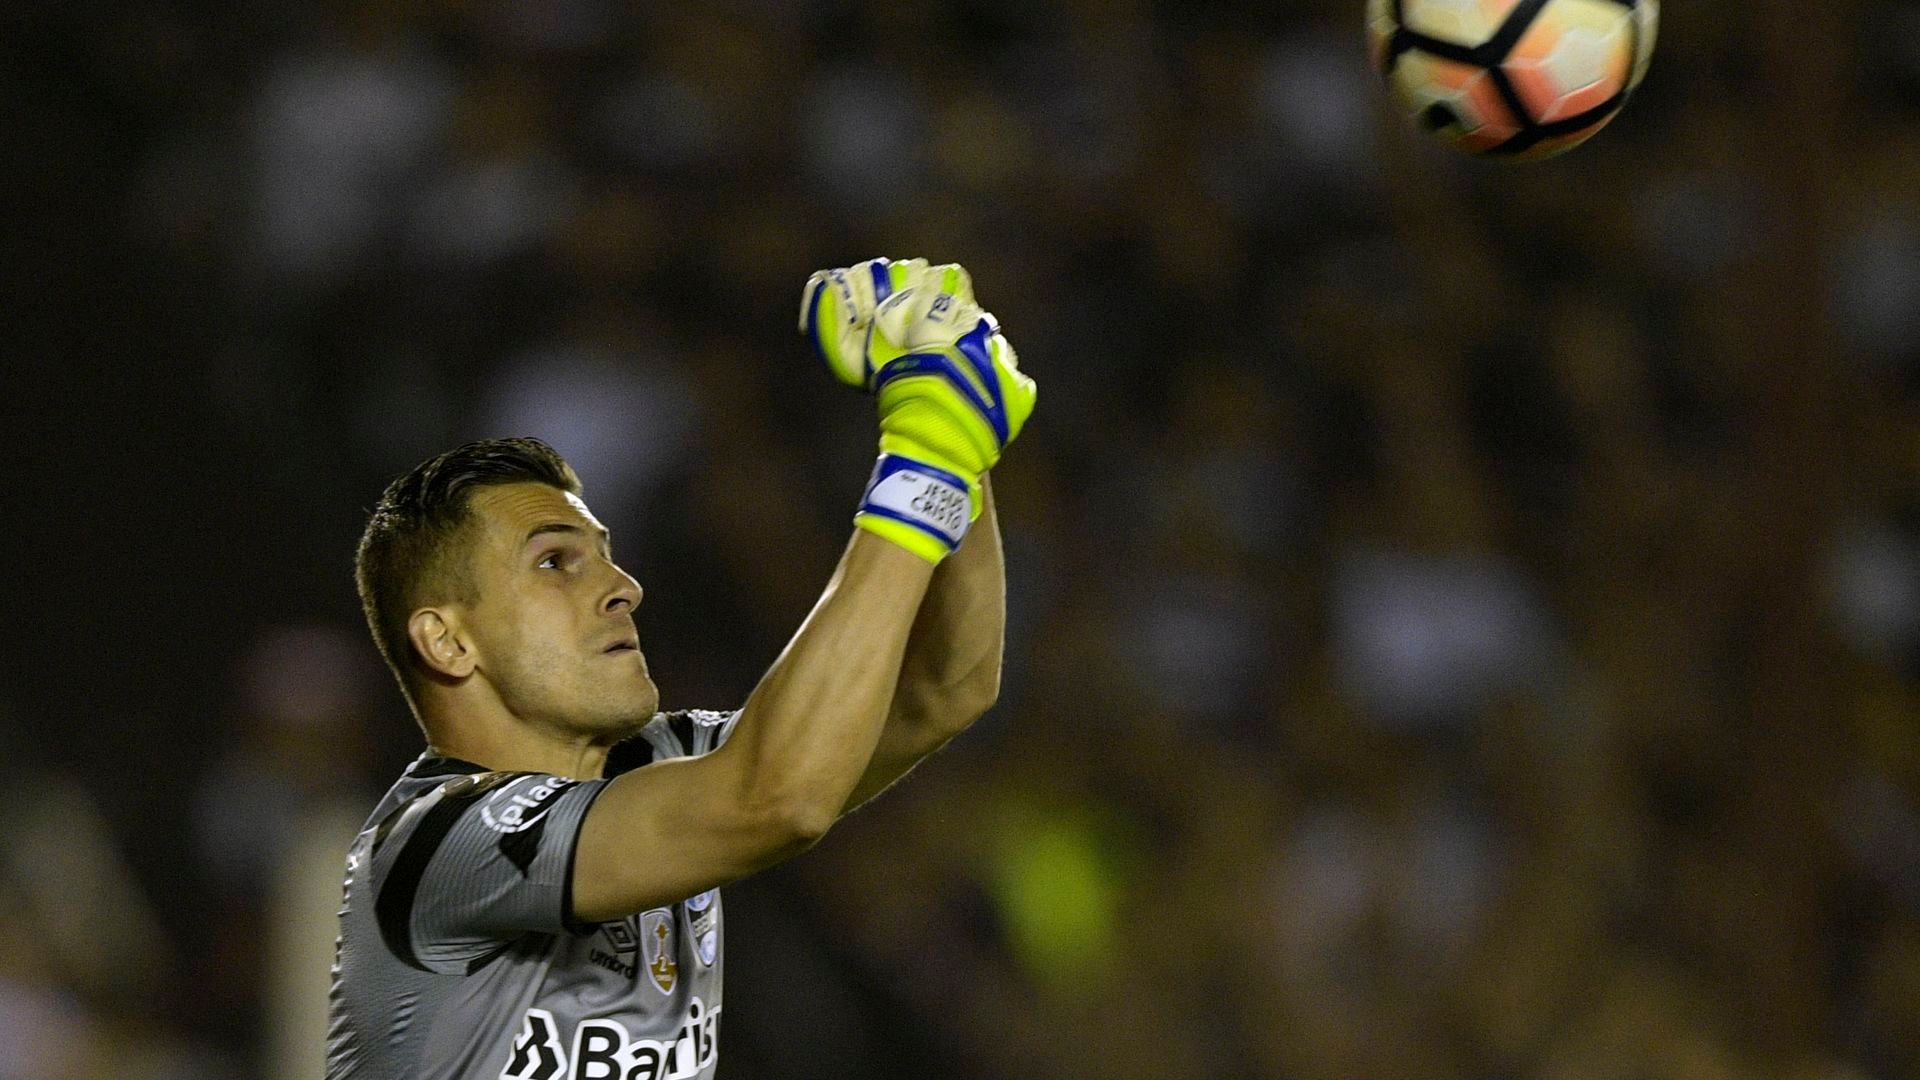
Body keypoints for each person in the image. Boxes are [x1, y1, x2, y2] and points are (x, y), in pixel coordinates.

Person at [326, 259, 1037, 1079]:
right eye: (556, 563)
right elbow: (779, 798)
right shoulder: (440, 844)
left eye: (607, 557)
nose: (622, 589)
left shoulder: (667, 767)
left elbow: (943, 686)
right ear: (449, 643)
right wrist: (924, 449)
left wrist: (952, 413)